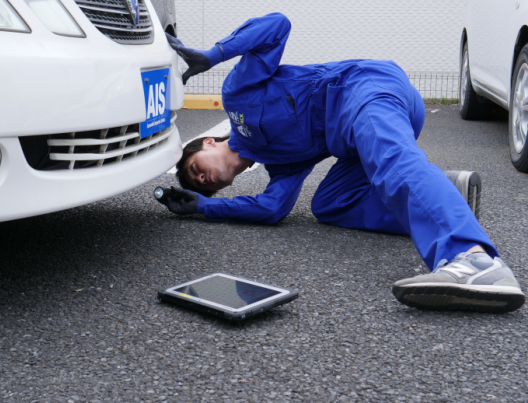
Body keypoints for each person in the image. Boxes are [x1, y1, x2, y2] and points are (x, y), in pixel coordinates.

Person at [159, 13, 525, 313]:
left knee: (392, 165)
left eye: (196, 169)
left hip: (361, 90)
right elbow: (272, 208)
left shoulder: (236, 95)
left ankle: (473, 259)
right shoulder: (282, 167)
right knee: (329, 202)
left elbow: (276, 25)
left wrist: (214, 55)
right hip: (355, 140)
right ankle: (450, 196)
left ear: (208, 141)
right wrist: (204, 207)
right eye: (207, 185)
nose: (205, 179)